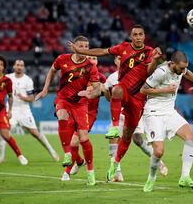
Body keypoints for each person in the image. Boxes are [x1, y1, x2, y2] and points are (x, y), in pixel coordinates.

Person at [68, 24, 161, 181]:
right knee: (117, 90)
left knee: (127, 137)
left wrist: (156, 60)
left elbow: (149, 72)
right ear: (131, 36)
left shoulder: (149, 52)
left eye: (140, 34)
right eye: (135, 34)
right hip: (124, 91)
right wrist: (80, 51)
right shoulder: (123, 47)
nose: (138, 37)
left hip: (138, 98)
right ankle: (114, 127)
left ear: (144, 36)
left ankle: (115, 163)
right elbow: (102, 51)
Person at [35, 35, 101, 186]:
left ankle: (90, 171)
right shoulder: (62, 59)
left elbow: (97, 88)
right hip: (63, 99)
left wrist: (90, 92)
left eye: (87, 46)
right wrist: (45, 89)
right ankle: (67, 154)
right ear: (74, 46)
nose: (85, 49)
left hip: (80, 104)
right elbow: (52, 71)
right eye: (82, 46)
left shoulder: (91, 66)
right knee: (61, 115)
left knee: (83, 138)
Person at [140, 51, 193, 192]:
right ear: (172, 64)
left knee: (190, 136)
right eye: (181, 68)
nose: (183, 71)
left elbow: (187, 73)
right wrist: (165, 89)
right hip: (153, 113)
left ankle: (185, 177)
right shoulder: (161, 72)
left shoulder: (181, 69)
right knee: (158, 152)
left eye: (185, 67)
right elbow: (143, 90)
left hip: (170, 112)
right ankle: (151, 178)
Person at [102, 56, 168, 182]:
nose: (122, 60)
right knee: (113, 139)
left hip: (136, 112)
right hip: (120, 114)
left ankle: (159, 162)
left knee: (137, 139)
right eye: (119, 58)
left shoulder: (138, 73)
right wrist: (105, 91)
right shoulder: (112, 78)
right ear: (115, 61)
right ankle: (117, 174)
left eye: (124, 58)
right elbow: (109, 98)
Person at [0, 59, 59, 164]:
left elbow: (31, 98)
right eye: (17, 65)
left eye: (21, 65)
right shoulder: (7, 78)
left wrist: (23, 97)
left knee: (35, 133)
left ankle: (52, 152)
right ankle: (1, 157)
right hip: (11, 109)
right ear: (14, 66)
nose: (19, 67)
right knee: (3, 131)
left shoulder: (28, 80)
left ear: (23, 67)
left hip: (24, 110)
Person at [61, 55, 107, 181]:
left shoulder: (101, 78)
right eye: (89, 57)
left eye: (94, 58)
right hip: (74, 110)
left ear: (97, 61)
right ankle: (80, 161)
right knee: (69, 141)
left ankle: (67, 172)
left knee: (75, 141)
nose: (92, 60)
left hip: (89, 113)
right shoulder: (76, 75)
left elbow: (107, 93)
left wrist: (103, 89)